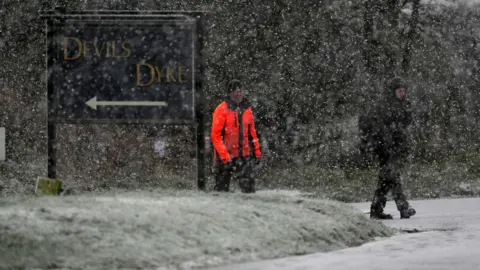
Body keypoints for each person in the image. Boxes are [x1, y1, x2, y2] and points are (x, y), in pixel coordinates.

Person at [358, 76, 416, 219]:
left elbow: (403, 127)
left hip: (392, 148)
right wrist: (384, 145)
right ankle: (403, 207)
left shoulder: (401, 106)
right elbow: (380, 129)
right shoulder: (384, 107)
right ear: (393, 92)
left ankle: (376, 209)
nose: (403, 94)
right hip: (384, 148)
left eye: (404, 91)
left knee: (386, 179)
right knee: (393, 176)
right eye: (400, 91)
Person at [211, 79, 262, 193]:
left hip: (244, 156)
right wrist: (225, 157)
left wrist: (257, 153)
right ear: (229, 93)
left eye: (240, 90)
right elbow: (216, 136)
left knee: (249, 190)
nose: (238, 93)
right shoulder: (221, 109)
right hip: (225, 157)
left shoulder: (247, 109)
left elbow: (252, 133)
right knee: (221, 191)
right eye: (235, 91)